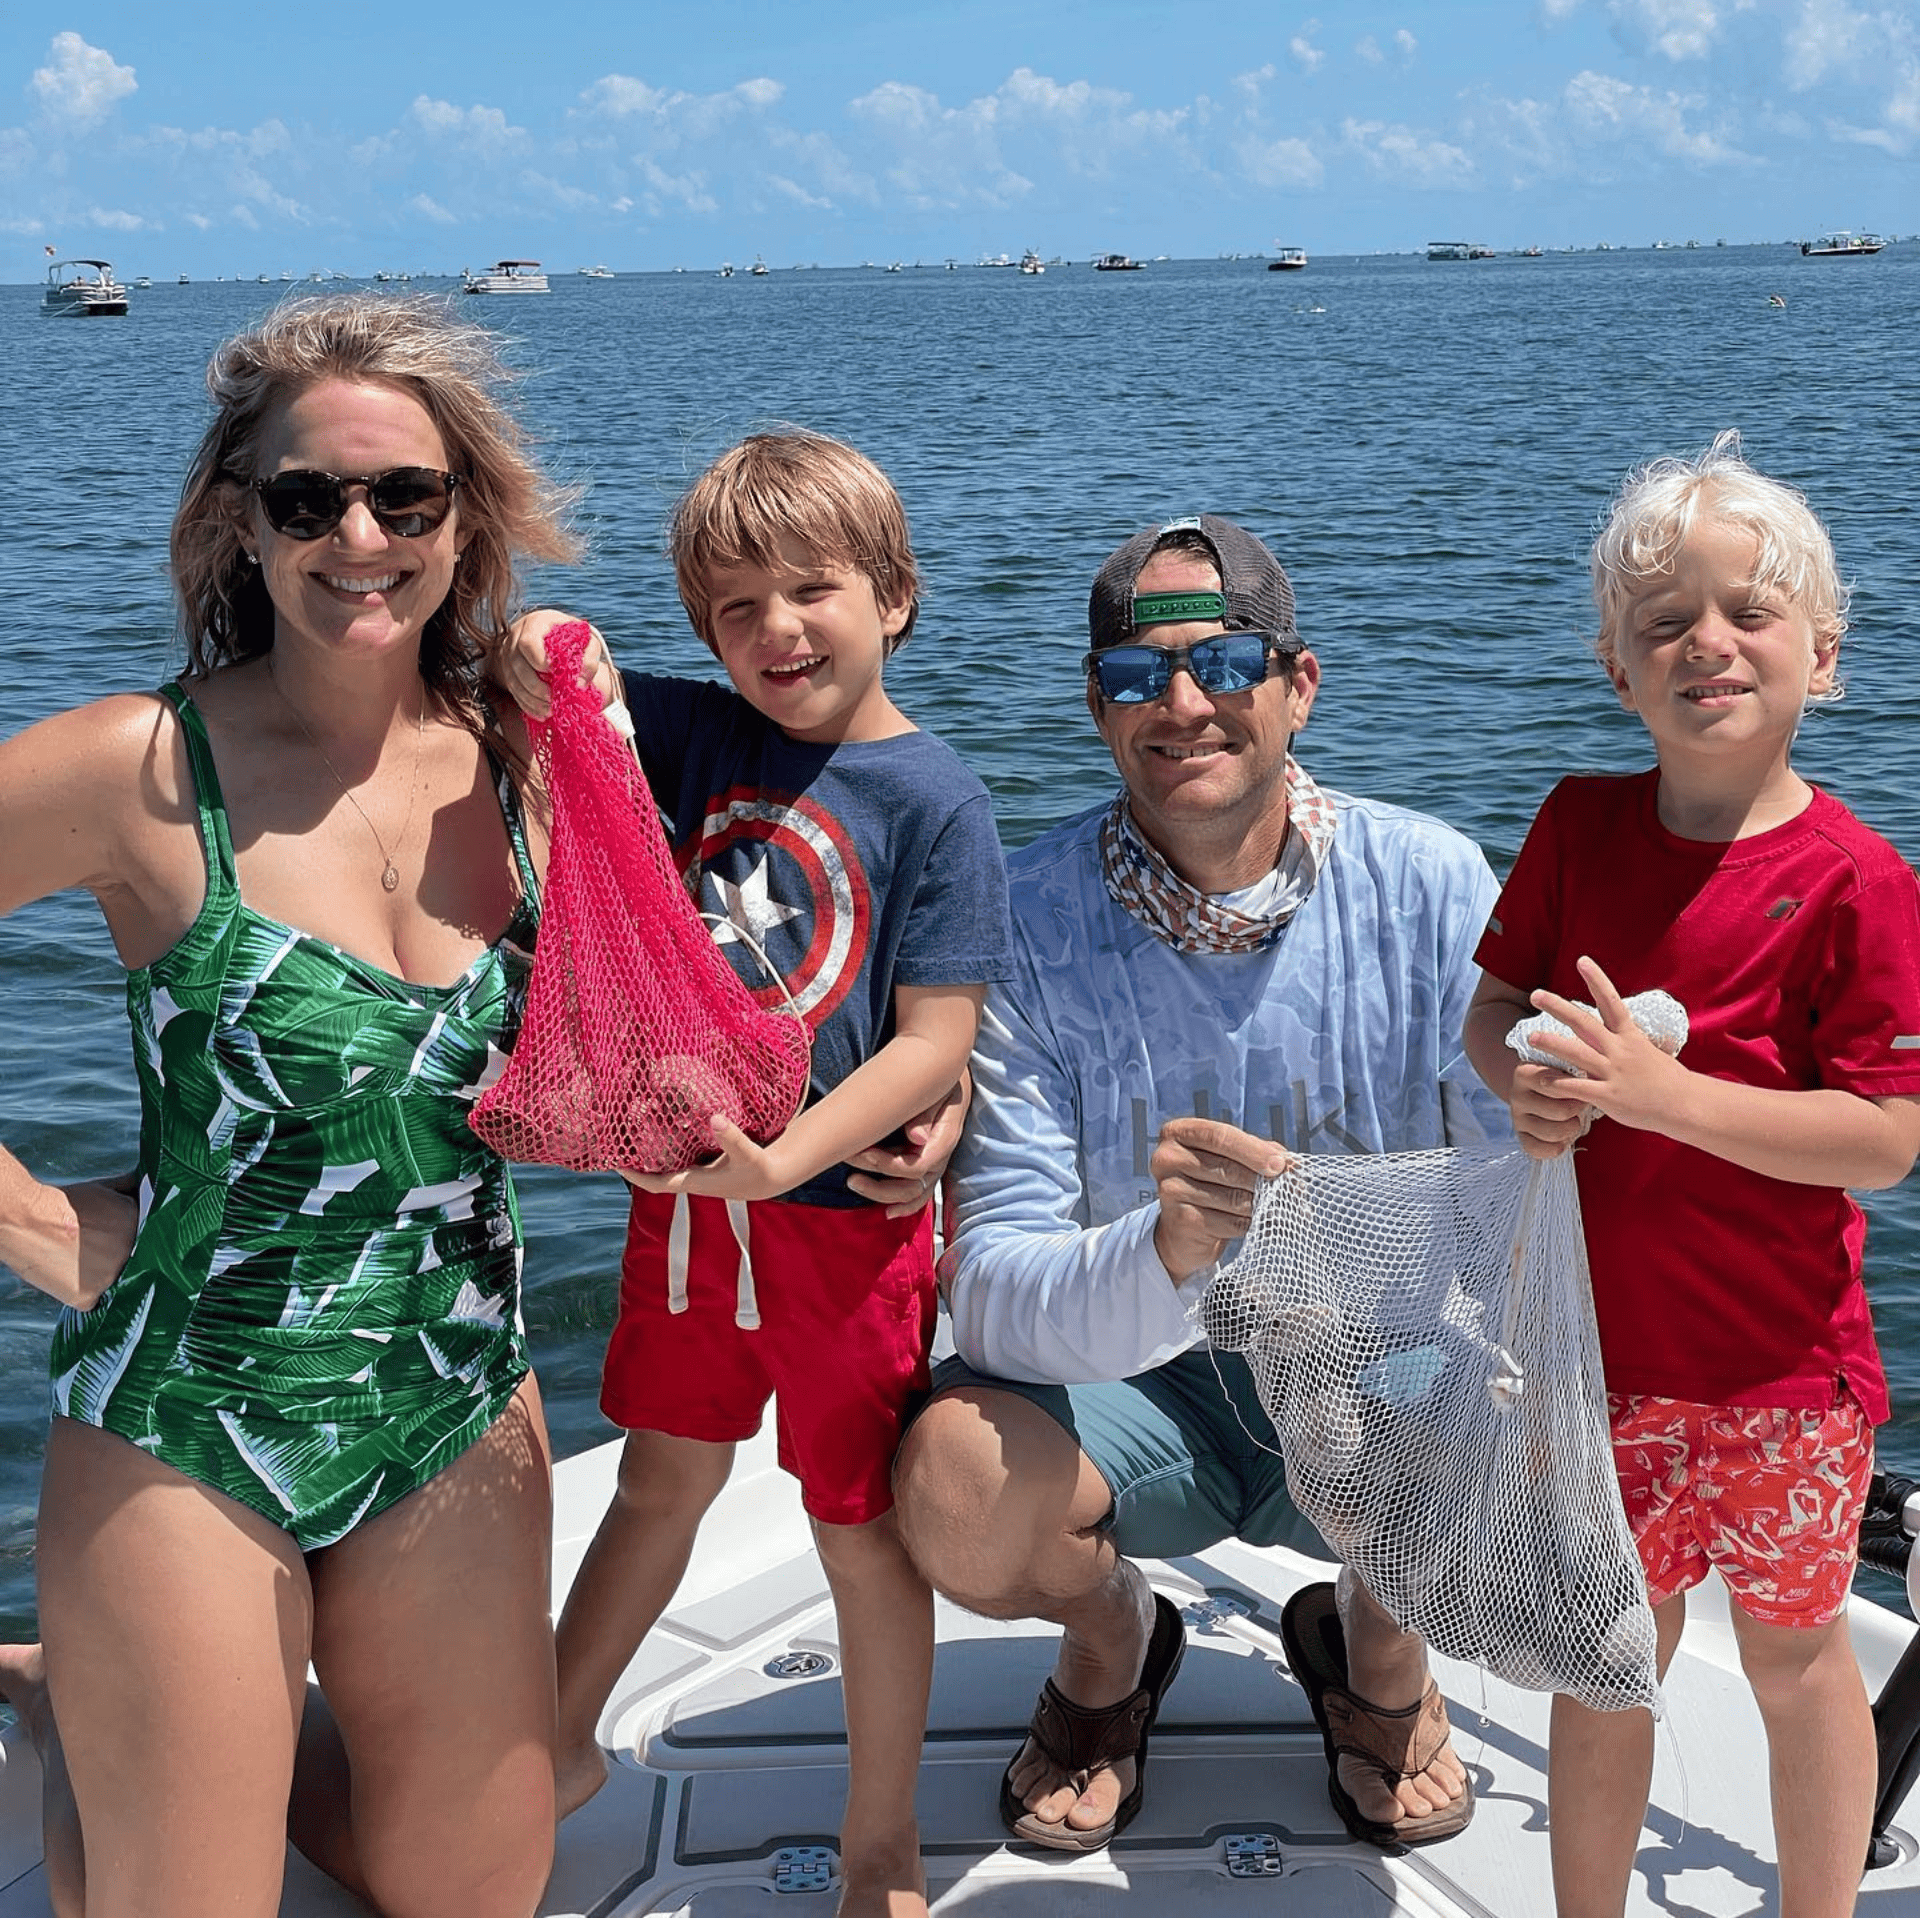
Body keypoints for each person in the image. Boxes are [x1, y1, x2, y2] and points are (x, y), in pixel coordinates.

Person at [0, 294, 585, 1914]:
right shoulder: (139, 769)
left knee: (470, 1893)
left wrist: (895, 1119)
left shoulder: (531, 770)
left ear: (463, 521)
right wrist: (35, 1221)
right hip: (190, 1414)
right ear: (233, 522)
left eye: (406, 497)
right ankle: (81, 1706)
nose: (360, 534)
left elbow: (702, 989)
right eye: (305, 497)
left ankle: (193, 1720)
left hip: (452, 1398)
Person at [890, 513, 1505, 1854]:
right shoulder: (1023, 917)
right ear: (1098, 710)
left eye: (1225, 663)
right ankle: (1114, 1644)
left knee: (1517, 1413)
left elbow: (1512, 1209)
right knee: (948, 1481)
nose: (1180, 705)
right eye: (1134, 676)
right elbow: (987, 1290)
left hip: (1364, 1370)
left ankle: (1379, 1653)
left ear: (1298, 683)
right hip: (1132, 1385)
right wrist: (1164, 1252)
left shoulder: (1435, 882)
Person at [501, 430, 1014, 1918]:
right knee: (661, 1478)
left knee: (857, 1533)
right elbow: (540, 653)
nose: (777, 631)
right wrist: (558, 646)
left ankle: (881, 1842)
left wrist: (786, 1156)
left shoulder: (939, 803)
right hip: (684, 1217)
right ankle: (546, 1750)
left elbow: (932, 1044)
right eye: (735, 609)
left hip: (843, 1224)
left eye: (813, 590)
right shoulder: (698, 735)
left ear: (896, 596)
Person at [1463, 433, 1920, 1918]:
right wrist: (1527, 1085)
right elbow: (1494, 1009)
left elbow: (1887, 1134)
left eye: (1747, 613)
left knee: (1797, 1663)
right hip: (1597, 1365)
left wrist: (1666, 1097)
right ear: (1617, 666)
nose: (1707, 644)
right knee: (1613, 1656)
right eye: (1665, 623)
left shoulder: (1857, 880)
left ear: (1824, 654)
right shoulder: (1577, 826)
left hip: (1786, 1373)